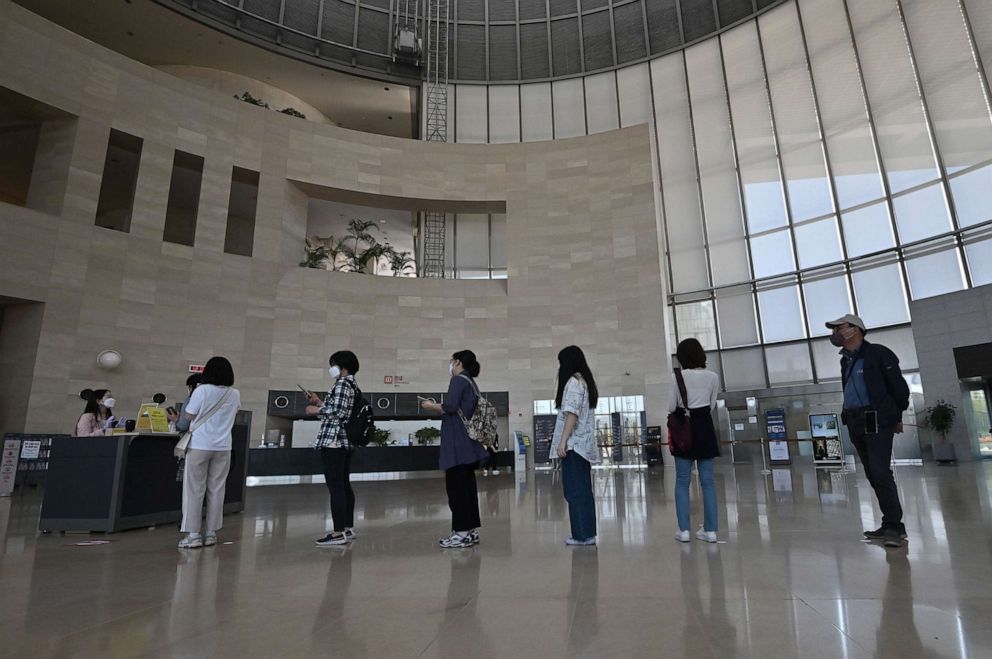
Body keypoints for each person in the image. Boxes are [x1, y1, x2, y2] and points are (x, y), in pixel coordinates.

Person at [826, 314, 910, 548]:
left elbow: (899, 389)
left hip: (876, 418)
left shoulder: (878, 354)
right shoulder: (846, 361)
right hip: (855, 420)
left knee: (881, 472)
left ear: (855, 330)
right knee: (873, 474)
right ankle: (890, 522)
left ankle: (894, 526)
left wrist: (896, 416)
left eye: (839, 328)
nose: (835, 333)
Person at [421, 350, 488, 548]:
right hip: (468, 445)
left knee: (456, 490)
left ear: (458, 362)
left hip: (457, 446)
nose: (450, 366)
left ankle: (460, 532)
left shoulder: (458, 380)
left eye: (452, 362)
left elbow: (450, 407)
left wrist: (430, 406)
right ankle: (469, 531)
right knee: (467, 488)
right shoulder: (471, 383)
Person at [178, 356, 241, 549]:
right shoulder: (234, 393)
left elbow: (188, 416)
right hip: (223, 447)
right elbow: (235, 414)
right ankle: (212, 533)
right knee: (217, 489)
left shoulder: (201, 390)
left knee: (194, 489)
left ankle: (193, 535)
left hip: (199, 445)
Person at [668, 338, 721, 544]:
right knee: (707, 481)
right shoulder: (713, 377)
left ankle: (684, 531)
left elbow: (671, 406)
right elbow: (712, 404)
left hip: (684, 429)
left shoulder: (677, 377)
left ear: (682, 357)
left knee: (682, 481)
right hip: (705, 428)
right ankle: (710, 531)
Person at [306, 350, 360, 547]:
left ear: (343, 367)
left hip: (334, 442)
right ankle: (346, 527)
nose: (331, 368)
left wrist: (316, 409)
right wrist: (320, 402)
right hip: (344, 441)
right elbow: (337, 411)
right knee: (343, 484)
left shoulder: (343, 384)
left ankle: (338, 533)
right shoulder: (351, 384)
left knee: (336, 486)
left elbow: (338, 412)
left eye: (333, 364)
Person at [549, 345, 600, 546]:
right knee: (583, 490)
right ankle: (587, 532)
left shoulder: (573, 382)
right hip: (582, 446)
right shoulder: (584, 382)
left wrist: (563, 442)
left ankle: (581, 535)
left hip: (574, 446)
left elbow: (572, 413)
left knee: (574, 490)